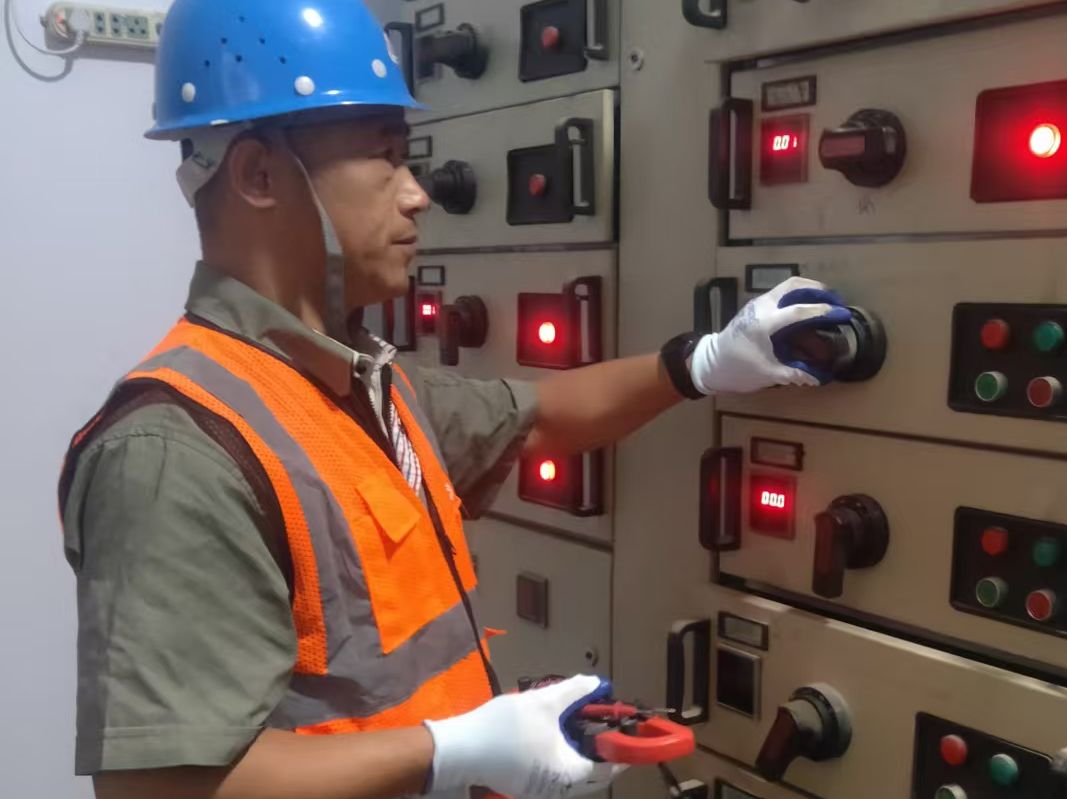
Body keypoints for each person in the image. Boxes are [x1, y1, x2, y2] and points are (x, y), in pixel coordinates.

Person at [56, 1, 854, 798]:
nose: (417, 195)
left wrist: (705, 362)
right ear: (259, 175)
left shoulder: (365, 386)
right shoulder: (176, 452)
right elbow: (158, 789)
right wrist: (452, 749)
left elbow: (537, 417)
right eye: (385, 157)